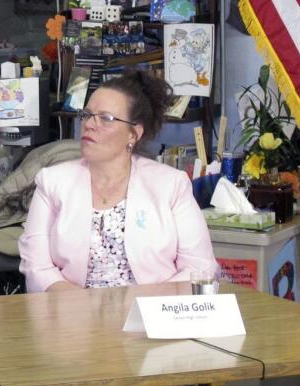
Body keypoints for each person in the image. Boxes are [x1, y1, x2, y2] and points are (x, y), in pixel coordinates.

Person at [19, 71, 216, 291]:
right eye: (86, 114)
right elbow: (36, 267)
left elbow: (200, 267)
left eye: (106, 118)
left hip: (152, 313)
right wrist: (81, 306)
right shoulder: (53, 181)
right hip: (73, 313)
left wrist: (142, 306)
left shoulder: (171, 185)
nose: (90, 124)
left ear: (133, 134)